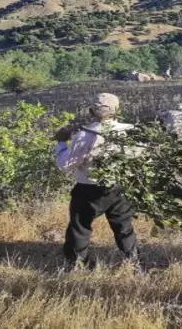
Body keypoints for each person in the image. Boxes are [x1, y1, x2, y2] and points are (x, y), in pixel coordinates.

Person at [55, 94, 139, 270]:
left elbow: (65, 165)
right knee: (123, 227)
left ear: (91, 111)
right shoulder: (129, 131)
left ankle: (77, 265)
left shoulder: (84, 135)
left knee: (80, 226)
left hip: (88, 189)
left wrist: (61, 142)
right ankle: (134, 264)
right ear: (118, 110)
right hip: (118, 187)